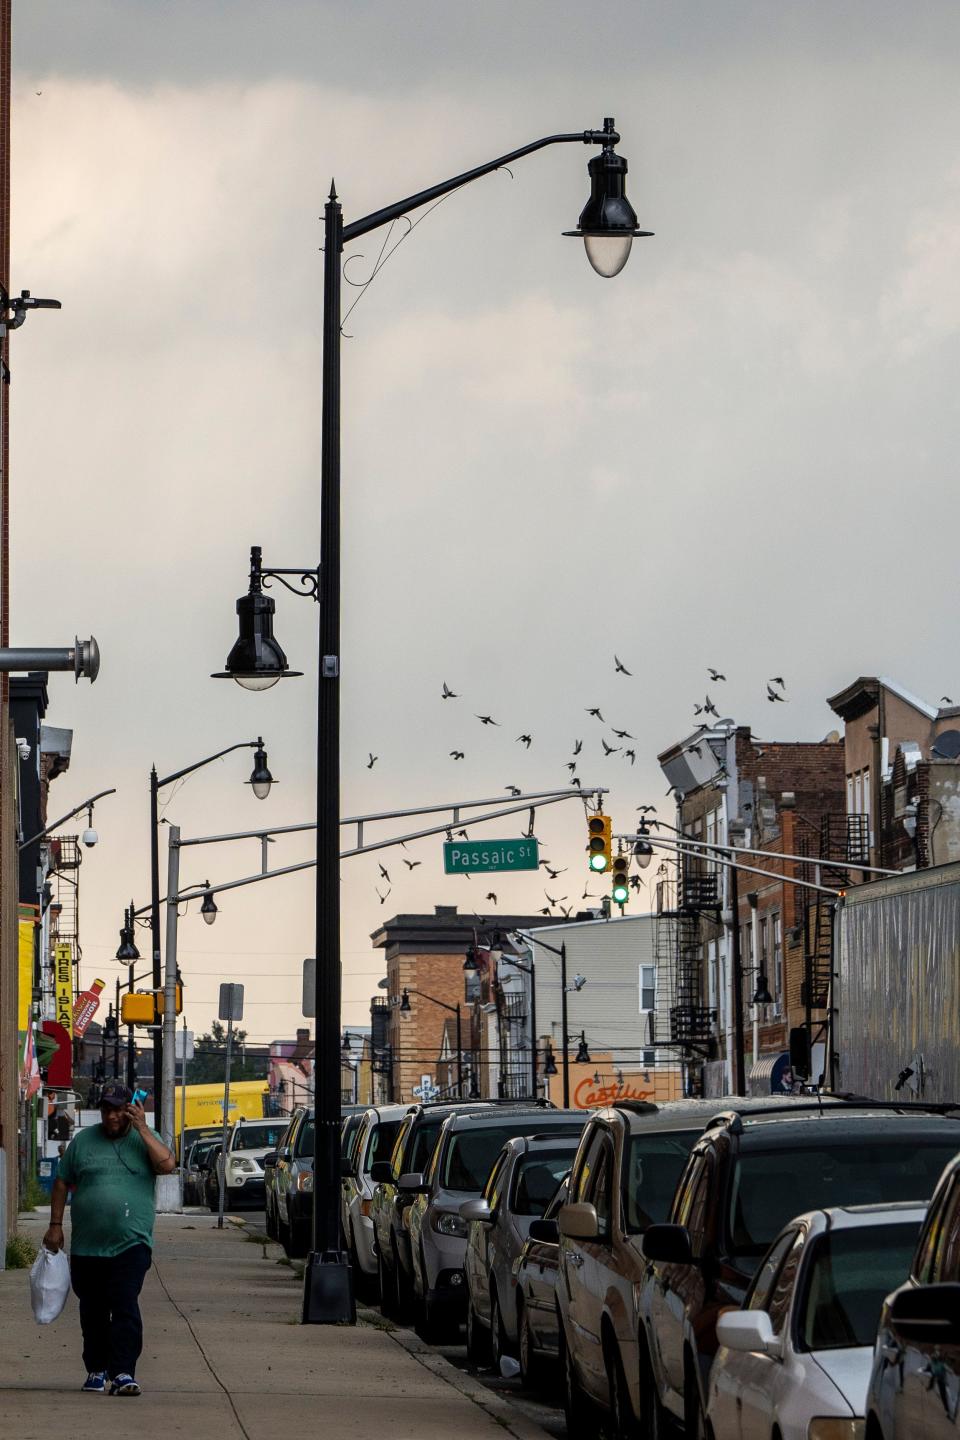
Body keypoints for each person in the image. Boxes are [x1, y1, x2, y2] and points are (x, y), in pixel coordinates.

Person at [43, 1082, 175, 1397]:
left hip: (131, 1242)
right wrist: (55, 1225)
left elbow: (168, 1165)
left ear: (130, 1109)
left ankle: (123, 1372)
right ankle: (97, 1369)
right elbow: (62, 1182)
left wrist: (143, 1127)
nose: (111, 1116)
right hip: (88, 1246)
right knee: (92, 1310)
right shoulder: (83, 1141)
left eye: (117, 1109)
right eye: (106, 1110)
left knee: (124, 1303)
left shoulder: (143, 1138)